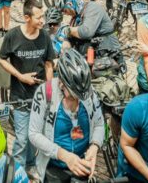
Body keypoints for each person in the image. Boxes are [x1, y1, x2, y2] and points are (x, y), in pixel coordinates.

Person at [27, 49, 103, 183]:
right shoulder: (45, 93)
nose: (78, 99)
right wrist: (64, 156)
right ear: (61, 83)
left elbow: (99, 124)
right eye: (74, 94)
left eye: (82, 94)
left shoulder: (89, 93)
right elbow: (33, 133)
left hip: (80, 166)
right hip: (53, 167)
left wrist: (94, 146)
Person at [0, 0, 56, 170]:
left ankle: (30, 165)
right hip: (20, 96)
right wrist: (20, 76)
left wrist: (50, 90)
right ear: (26, 17)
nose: (43, 21)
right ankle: (16, 174)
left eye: (43, 16)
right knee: (22, 139)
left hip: (39, 98)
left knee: (34, 135)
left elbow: (48, 63)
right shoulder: (13, 36)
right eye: (39, 17)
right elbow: (1, 60)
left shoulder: (45, 36)